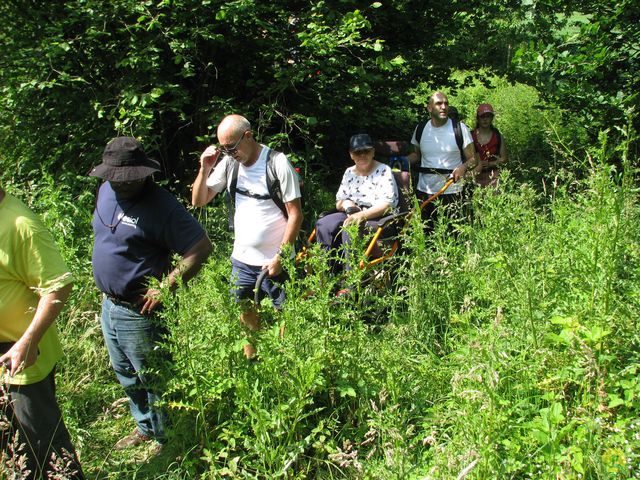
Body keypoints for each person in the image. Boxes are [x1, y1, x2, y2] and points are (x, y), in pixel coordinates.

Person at [89, 137, 212, 451]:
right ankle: (146, 426)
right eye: (113, 177)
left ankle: (167, 440)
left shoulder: (162, 205)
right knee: (126, 374)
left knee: (154, 378)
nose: (119, 183)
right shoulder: (105, 191)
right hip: (110, 305)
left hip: (140, 312)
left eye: (126, 178)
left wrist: (166, 286)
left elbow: (199, 247)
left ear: (143, 174)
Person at [191, 115, 303, 360]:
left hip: (275, 261)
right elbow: (199, 200)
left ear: (249, 136)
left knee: (283, 313)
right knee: (245, 310)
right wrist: (205, 168)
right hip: (241, 259)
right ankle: (252, 361)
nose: (230, 153)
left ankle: (283, 364)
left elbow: (296, 214)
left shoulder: (277, 163)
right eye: (224, 149)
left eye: (232, 147)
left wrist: (281, 256)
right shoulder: (230, 163)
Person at [0, 184, 84, 479]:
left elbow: (59, 285)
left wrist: (27, 342)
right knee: (10, 443)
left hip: (20, 352)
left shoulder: (20, 224)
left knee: (45, 445)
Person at [315, 134, 398, 273]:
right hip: (351, 213)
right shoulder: (349, 172)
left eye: (366, 151)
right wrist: (347, 204)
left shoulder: (384, 171)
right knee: (324, 223)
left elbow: (388, 204)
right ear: (351, 155)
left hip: (378, 217)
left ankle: (351, 280)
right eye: (357, 152)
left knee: (351, 228)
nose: (362, 155)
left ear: (373, 152)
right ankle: (326, 274)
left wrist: (361, 215)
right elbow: (339, 201)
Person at [407, 92, 476, 233]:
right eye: (439, 103)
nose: (444, 107)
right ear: (429, 108)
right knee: (427, 234)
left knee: (453, 234)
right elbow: (416, 155)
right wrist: (397, 163)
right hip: (424, 190)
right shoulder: (421, 129)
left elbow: (473, 159)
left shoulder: (460, 129)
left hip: (452, 189)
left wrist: (463, 168)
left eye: (446, 103)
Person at [472, 103, 507, 188]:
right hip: (474, 176)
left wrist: (490, 164)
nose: (485, 119)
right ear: (477, 118)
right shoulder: (470, 136)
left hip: (493, 176)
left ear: (492, 118)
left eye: (488, 116)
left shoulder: (497, 136)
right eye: (482, 116)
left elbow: (504, 159)